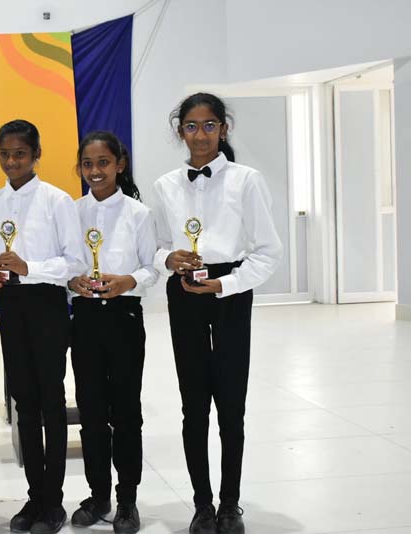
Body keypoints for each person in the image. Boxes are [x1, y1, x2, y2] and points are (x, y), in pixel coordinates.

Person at [151, 93, 283, 534]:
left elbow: (267, 252)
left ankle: (230, 504)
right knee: (193, 406)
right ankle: (202, 505)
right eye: (191, 126)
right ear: (180, 132)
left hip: (229, 291)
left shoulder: (247, 180)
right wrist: (167, 259)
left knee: (230, 404)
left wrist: (226, 284)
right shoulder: (165, 185)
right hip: (184, 291)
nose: (201, 135)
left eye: (210, 125)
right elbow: (155, 246)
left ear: (224, 129)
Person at [0, 119, 85, 534]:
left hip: (47, 304)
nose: (12, 161)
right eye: (5, 154)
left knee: (50, 400)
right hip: (11, 304)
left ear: (36, 154)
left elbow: (74, 263)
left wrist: (30, 268)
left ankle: (53, 500)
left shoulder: (57, 201)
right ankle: (34, 494)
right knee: (22, 401)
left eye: (20, 154)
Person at [67, 131, 158, 534]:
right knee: (90, 411)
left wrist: (128, 281)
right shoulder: (71, 212)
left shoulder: (139, 213)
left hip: (124, 317)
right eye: (87, 164)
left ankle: (127, 499)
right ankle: (98, 493)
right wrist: (72, 282)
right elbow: (65, 263)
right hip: (85, 318)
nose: (95, 171)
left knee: (125, 412)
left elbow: (151, 267)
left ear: (119, 165)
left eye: (103, 163)